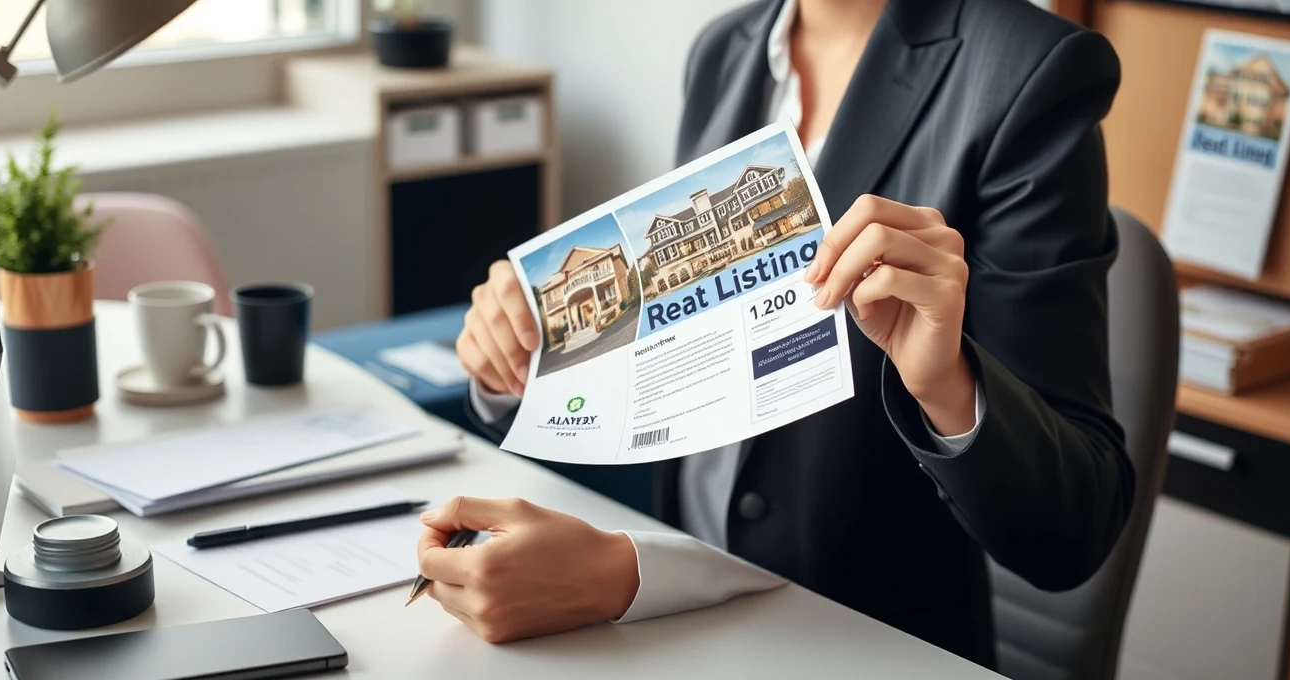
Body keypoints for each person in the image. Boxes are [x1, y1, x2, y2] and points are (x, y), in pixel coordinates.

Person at [417, 0, 1134, 667]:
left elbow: (1073, 532)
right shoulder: (725, 50)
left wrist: (947, 384)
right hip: (675, 633)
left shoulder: (1028, 73)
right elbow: (681, 365)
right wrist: (522, 360)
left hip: (860, 651)